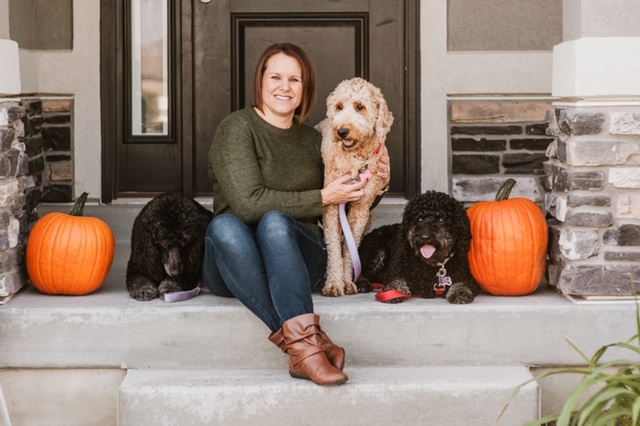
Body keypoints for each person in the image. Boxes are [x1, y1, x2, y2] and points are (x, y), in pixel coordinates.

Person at [202, 43, 390, 386]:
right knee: (224, 226)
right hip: (235, 262)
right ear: (260, 82)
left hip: (297, 259)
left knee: (275, 224)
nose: (284, 87)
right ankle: (310, 348)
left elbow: (343, 199)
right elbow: (247, 203)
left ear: (306, 89)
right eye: (275, 76)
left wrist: (377, 185)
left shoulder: (316, 139)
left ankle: (304, 354)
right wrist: (321, 196)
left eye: (294, 79)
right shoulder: (237, 128)